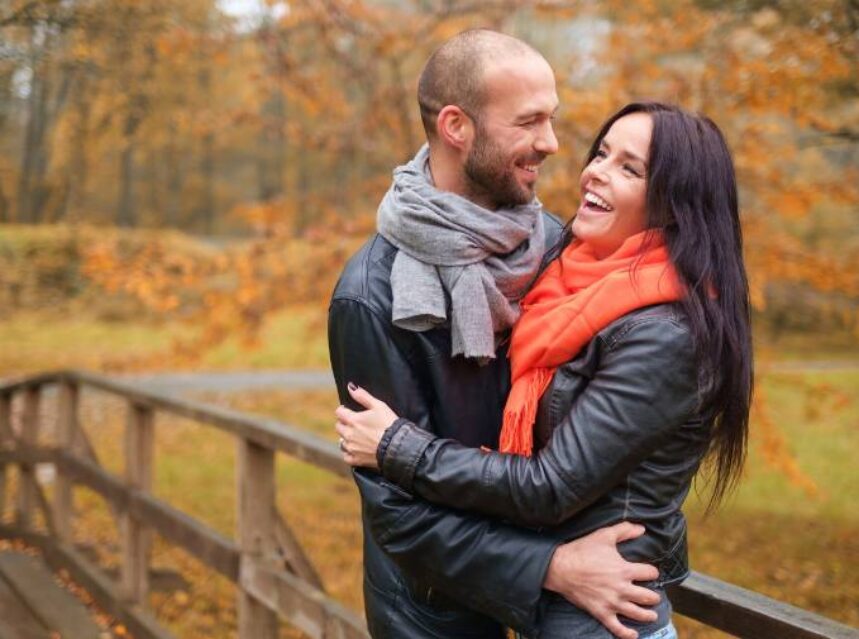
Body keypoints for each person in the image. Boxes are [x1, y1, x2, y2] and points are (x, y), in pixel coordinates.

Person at [335, 101, 754, 638]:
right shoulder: (563, 274)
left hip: (603, 619)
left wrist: (398, 446)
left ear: (676, 205)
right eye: (602, 152)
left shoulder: (666, 331)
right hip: (559, 612)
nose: (596, 171)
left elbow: (550, 486)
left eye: (630, 168)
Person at [328, 30, 663, 639]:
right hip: (438, 619)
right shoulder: (372, 296)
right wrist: (551, 568)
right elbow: (398, 516)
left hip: (564, 606)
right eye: (530, 122)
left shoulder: (557, 245)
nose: (554, 144)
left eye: (553, 120)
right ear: (457, 126)